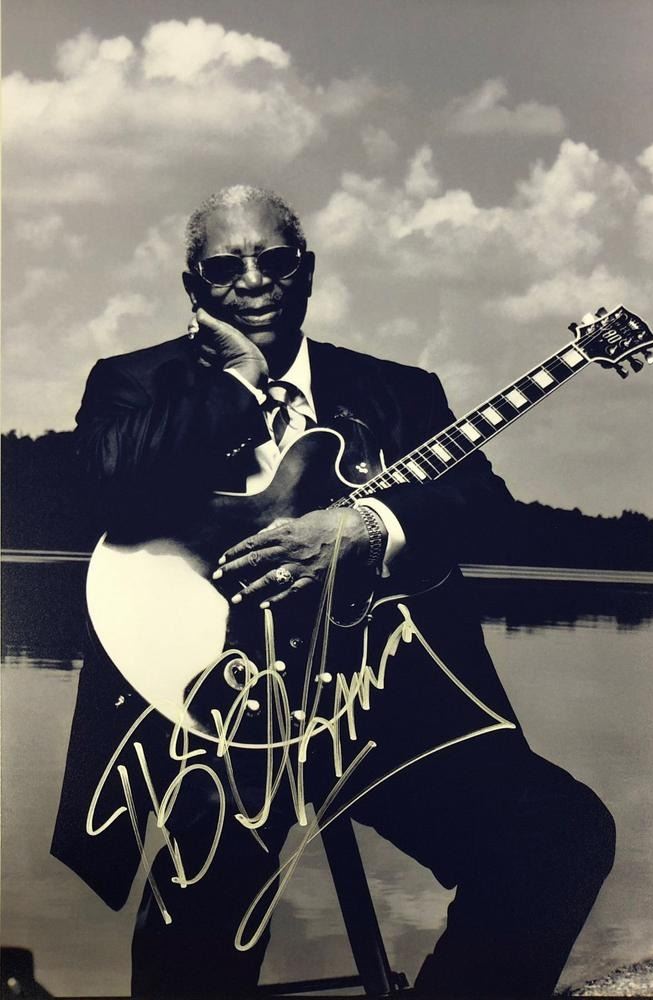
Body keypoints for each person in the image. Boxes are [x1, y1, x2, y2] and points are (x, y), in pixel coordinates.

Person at [52, 185, 615, 999]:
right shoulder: (135, 381)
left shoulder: (399, 391)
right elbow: (103, 489)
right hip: (215, 719)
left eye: (275, 260)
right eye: (225, 268)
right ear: (192, 286)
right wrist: (238, 383)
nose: (254, 281)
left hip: (379, 706)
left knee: (559, 835)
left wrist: (369, 527)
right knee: (200, 927)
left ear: (307, 270)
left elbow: (483, 508)